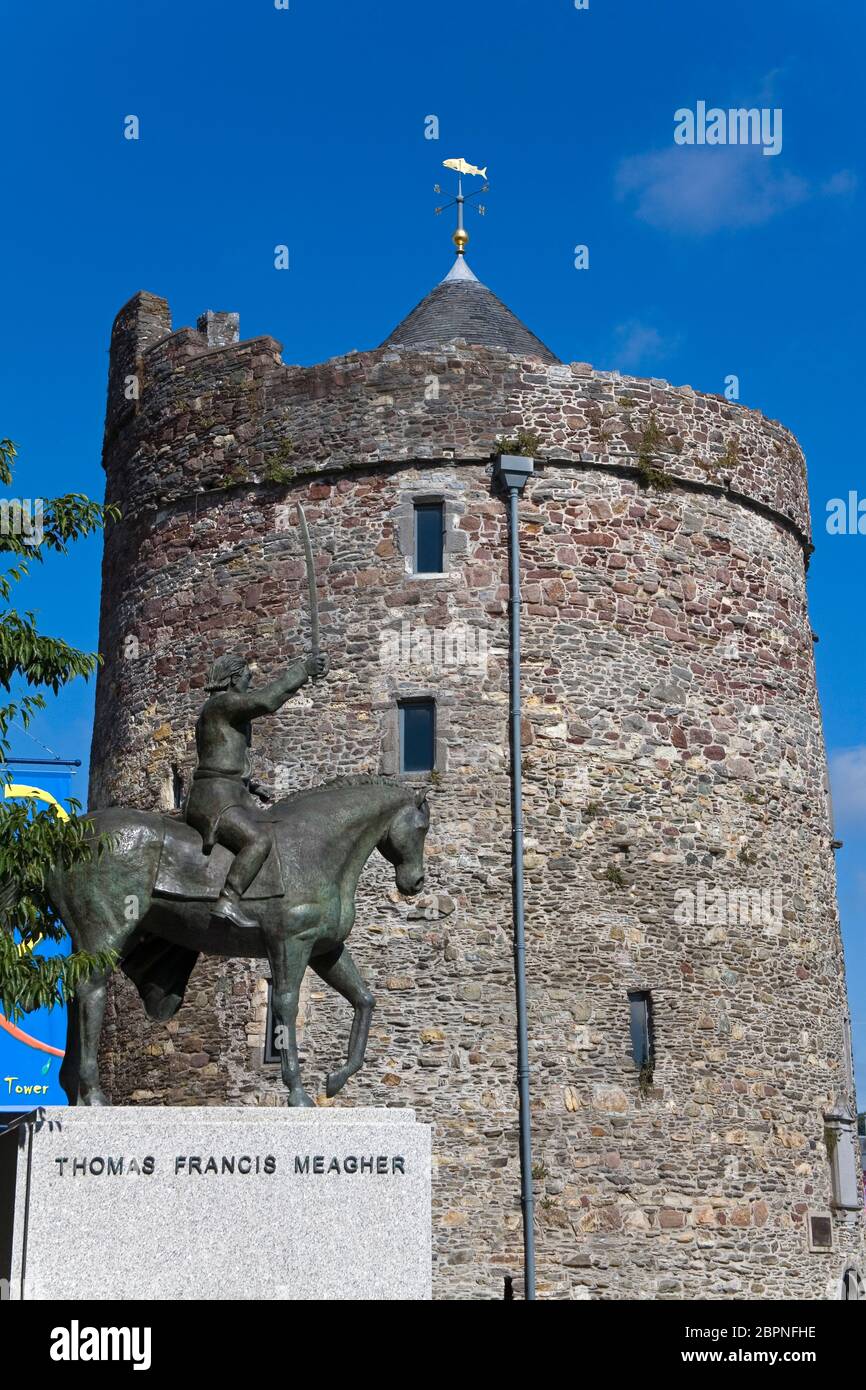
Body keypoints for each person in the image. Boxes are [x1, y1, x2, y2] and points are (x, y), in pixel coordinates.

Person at [185, 651, 328, 929]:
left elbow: (221, 758)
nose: (250, 682)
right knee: (258, 841)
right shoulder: (221, 704)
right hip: (215, 798)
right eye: (248, 678)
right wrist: (303, 670)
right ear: (235, 678)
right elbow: (266, 700)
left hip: (228, 792)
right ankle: (228, 900)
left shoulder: (219, 710)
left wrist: (250, 786)